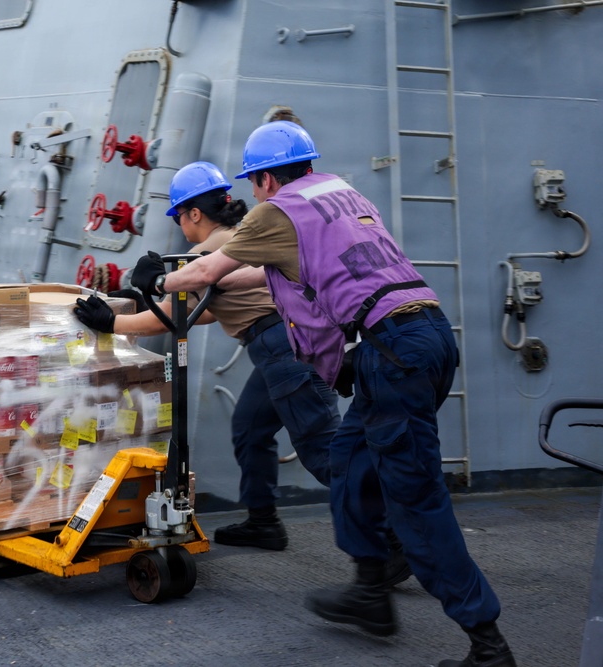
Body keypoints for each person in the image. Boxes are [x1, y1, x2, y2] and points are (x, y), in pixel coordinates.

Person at [128, 121, 513, 667]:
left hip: (394, 350)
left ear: (262, 179)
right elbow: (276, 279)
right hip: (416, 335)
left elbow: (213, 271)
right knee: (347, 461)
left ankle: (488, 646)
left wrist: (158, 279)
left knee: (418, 502)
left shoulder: (275, 209)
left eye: (254, 183)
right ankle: (370, 591)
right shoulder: (342, 194)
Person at [73, 161, 339, 551]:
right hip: (284, 344)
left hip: (285, 347)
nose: (181, 224)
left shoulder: (206, 251)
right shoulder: (238, 237)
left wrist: (110, 323)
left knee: (327, 454)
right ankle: (263, 522)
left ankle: (393, 540)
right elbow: (210, 308)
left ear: (194, 213)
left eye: (179, 215)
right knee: (250, 429)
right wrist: (145, 303)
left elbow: (166, 320)